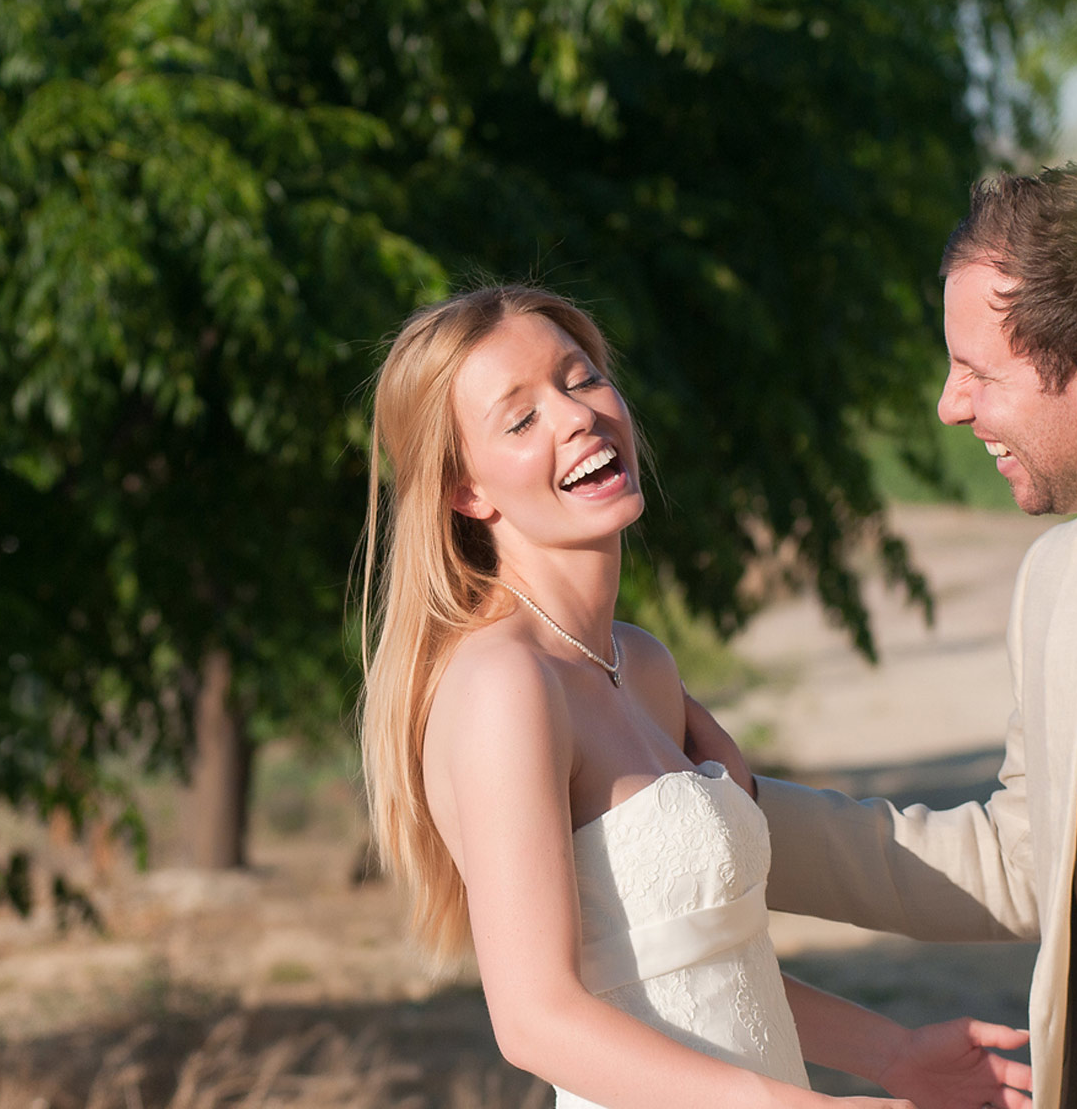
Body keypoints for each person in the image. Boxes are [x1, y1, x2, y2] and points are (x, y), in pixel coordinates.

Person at [358, 285, 1033, 1108]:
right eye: (521, 418)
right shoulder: (504, 686)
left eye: (580, 379)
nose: (575, 417)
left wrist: (892, 1054)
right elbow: (534, 1019)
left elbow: (702, 964)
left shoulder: (639, 663)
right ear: (467, 491)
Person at [721, 164, 1077, 1108]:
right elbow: (1031, 859)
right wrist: (728, 813)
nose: (950, 406)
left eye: (978, 373)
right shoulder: (1058, 583)